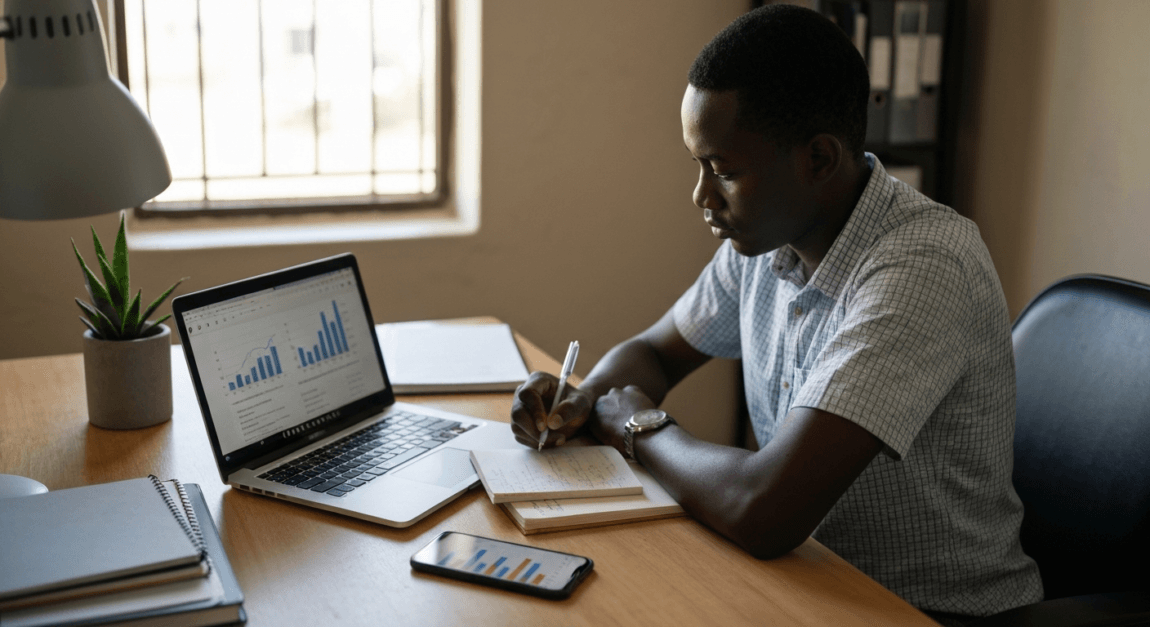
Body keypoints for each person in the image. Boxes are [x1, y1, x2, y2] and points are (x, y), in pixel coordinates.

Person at [510, 4, 1043, 624]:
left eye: (725, 171)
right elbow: (656, 352)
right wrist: (581, 403)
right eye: (698, 165)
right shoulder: (768, 239)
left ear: (818, 159)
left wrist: (638, 425)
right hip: (806, 585)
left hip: (925, 614)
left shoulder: (922, 268)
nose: (702, 197)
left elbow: (765, 509)